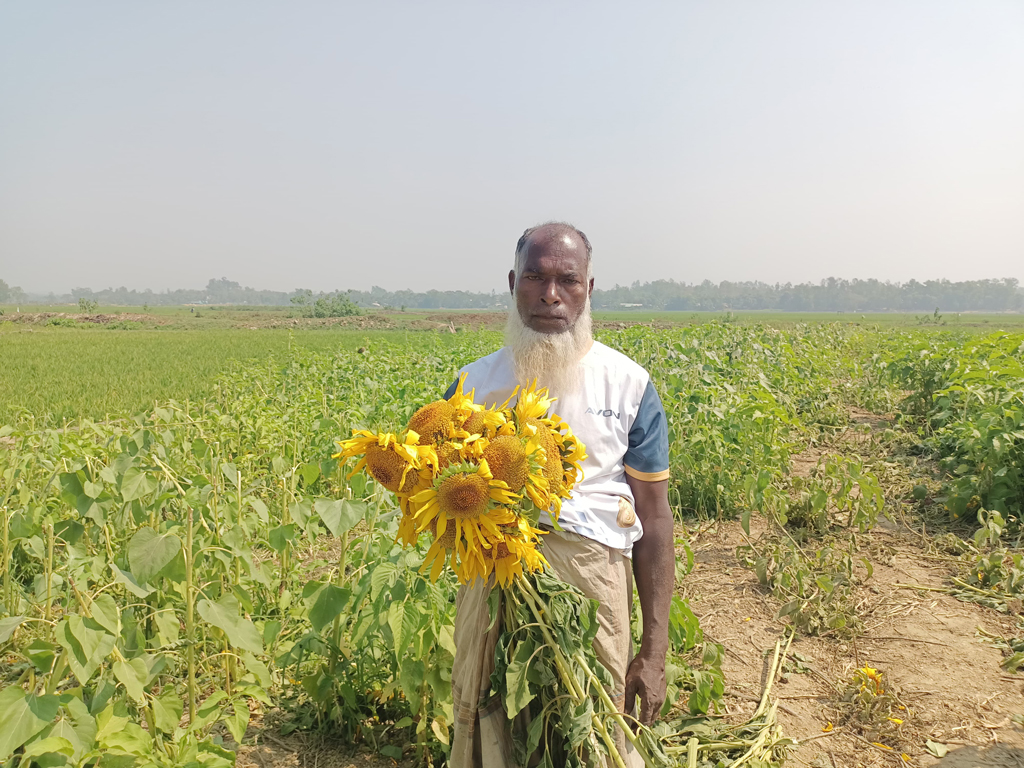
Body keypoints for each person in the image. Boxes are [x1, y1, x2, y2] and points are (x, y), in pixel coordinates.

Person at [448, 222, 675, 767]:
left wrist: (653, 650)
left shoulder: (628, 385)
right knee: (483, 713)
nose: (551, 295)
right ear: (513, 283)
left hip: (592, 577)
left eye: (567, 281)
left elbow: (655, 519)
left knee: (591, 723)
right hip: (493, 575)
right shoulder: (470, 386)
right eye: (536, 277)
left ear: (589, 289)